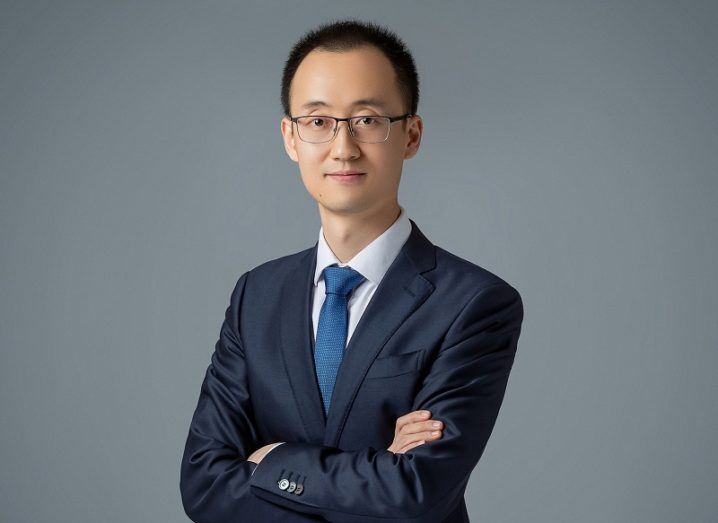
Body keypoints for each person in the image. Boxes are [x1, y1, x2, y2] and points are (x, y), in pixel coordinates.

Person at [180, 18, 524, 523]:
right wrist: (377, 468)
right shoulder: (257, 295)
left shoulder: (474, 302)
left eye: (367, 119)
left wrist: (268, 461)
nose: (343, 146)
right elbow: (204, 485)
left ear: (411, 134)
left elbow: (414, 494)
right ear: (290, 138)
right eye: (318, 122)